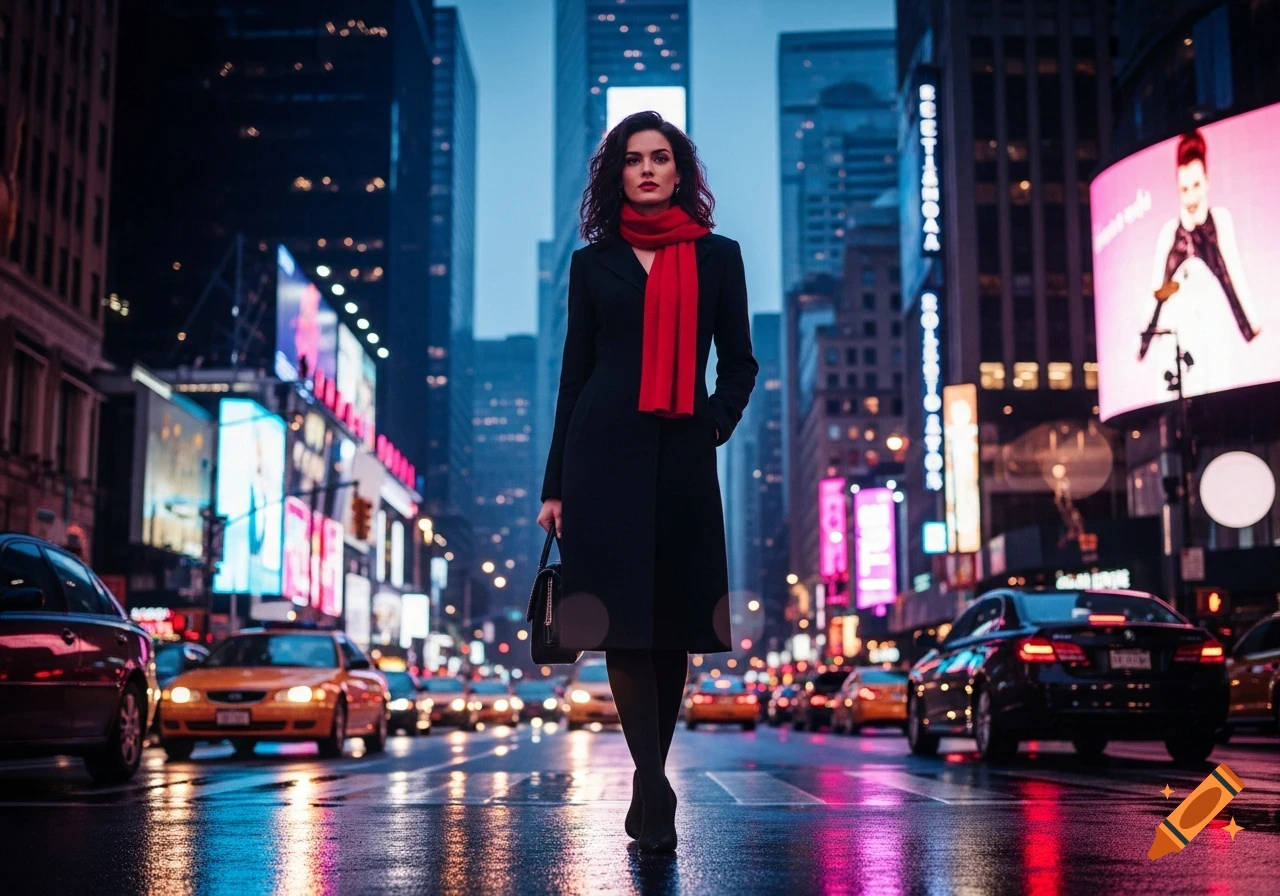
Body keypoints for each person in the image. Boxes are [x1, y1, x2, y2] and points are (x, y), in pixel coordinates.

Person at [537, 111, 758, 854]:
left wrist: (713, 422)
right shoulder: (590, 263)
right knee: (624, 626)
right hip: (602, 453)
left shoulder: (718, 258)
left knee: (674, 624)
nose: (649, 170)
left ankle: (649, 775)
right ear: (618, 175)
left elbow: (740, 361)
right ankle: (651, 779)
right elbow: (573, 377)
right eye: (634, 160)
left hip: (683, 456)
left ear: (680, 170)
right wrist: (555, 485)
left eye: (661, 158)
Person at [1141, 129, 1261, 399]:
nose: (1191, 197)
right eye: (1184, 188)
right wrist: (1142, 345)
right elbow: (1155, 295)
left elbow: (1235, 278)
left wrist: (1252, 328)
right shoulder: (1170, 234)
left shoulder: (1219, 222)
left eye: (1196, 186)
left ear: (1206, 182)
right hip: (1179, 346)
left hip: (1215, 340)